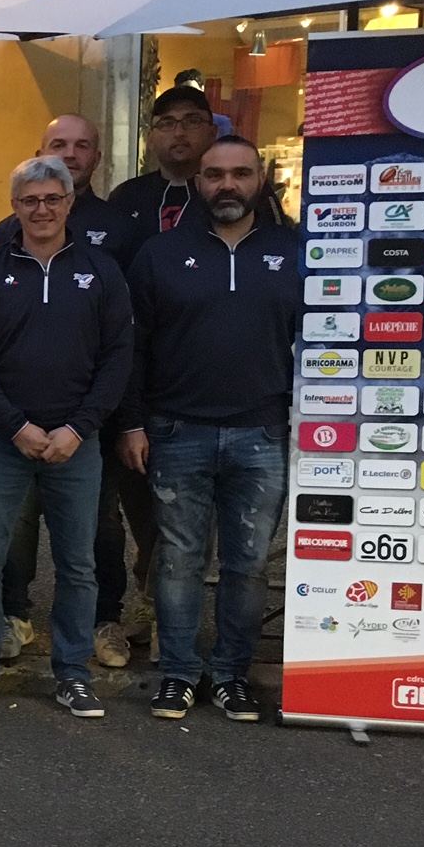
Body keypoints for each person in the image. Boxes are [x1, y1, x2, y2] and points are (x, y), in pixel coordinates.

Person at [121, 136, 297, 724]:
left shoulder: (296, 251)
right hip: (177, 431)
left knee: (249, 565)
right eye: (215, 175)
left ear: (259, 179)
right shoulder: (160, 254)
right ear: (198, 182)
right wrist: (132, 423)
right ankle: (178, 673)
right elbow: (134, 348)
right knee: (178, 561)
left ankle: (231, 675)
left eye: (240, 173)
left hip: (262, 433)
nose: (228, 185)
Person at [0, 156, 133, 720]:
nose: (42, 209)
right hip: (3, 441)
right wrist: (15, 425)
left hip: (76, 444)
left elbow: (118, 356)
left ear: (69, 202)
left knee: (78, 563)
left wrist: (80, 427)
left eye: (53, 198)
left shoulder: (101, 271)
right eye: (30, 200)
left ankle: (72, 673)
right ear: (14, 206)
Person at [0, 115, 158, 669]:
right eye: (58, 144)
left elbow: (127, 337)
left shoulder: (119, 229)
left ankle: (102, 619)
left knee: (100, 525)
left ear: (96, 157)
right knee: (16, 524)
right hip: (18, 418)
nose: (70, 154)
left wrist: (127, 417)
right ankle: (13, 615)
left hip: (94, 416)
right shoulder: (7, 230)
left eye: (82, 145)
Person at [109, 87, 216, 239]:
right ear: (150, 139)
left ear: (212, 133)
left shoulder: (223, 195)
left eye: (192, 121)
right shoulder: (126, 196)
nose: (179, 133)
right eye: (167, 123)